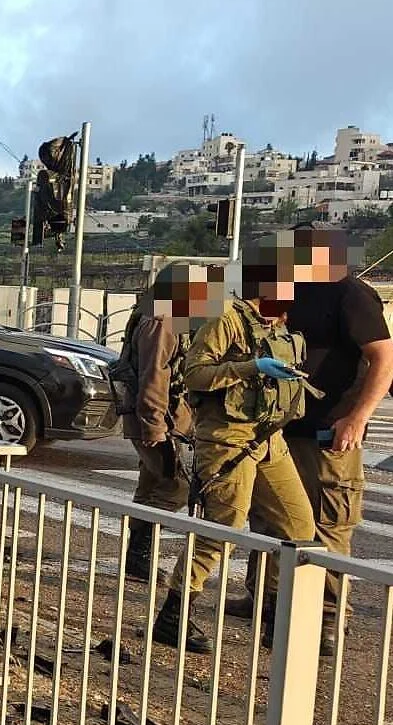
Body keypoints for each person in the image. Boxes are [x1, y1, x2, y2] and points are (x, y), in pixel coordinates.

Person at [164, 234, 318, 654]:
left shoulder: (278, 324)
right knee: (222, 531)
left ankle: (273, 617)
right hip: (228, 440)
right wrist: (250, 367)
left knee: (298, 525)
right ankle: (174, 615)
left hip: (269, 438)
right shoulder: (226, 318)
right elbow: (194, 375)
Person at [274, 226, 393, 647]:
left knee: (328, 524)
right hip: (283, 428)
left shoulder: (351, 294)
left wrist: (357, 417)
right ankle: (267, 600)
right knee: (273, 519)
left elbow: (383, 359)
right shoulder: (286, 289)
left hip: (331, 430)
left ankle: (327, 616)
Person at [112, 264, 215, 578]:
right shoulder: (163, 323)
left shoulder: (162, 316)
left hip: (158, 416)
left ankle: (136, 557)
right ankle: (141, 556)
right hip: (160, 418)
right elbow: (154, 376)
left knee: (151, 485)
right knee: (176, 487)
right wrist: (154, 424)